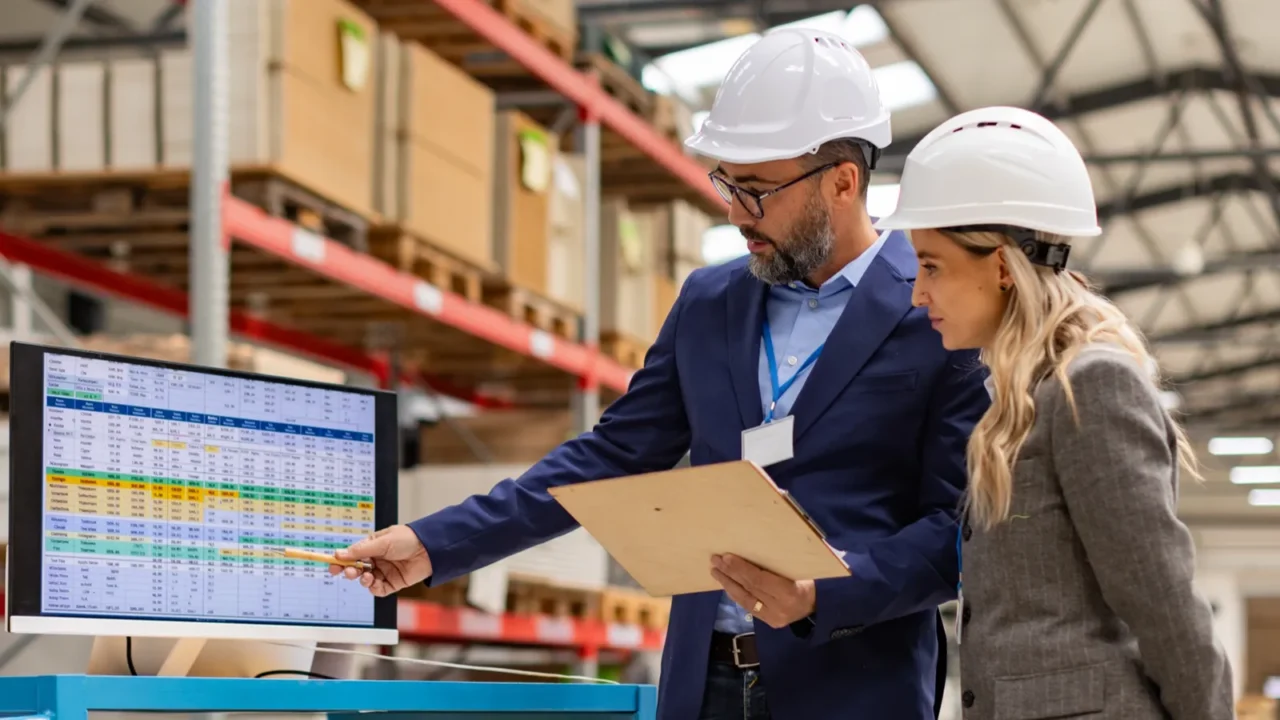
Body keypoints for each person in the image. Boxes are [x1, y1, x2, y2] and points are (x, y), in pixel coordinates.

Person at [333, 28, 989, 720]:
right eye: (728, 184)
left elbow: (957, 528)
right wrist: (435, 545)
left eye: (758, 190)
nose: (735, 212)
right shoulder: (709, 304)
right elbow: (609, 456)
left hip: (853, 691)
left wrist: (828, 589)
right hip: (701, 686)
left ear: (843, 181)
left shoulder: (937, 311)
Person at [873, 105, 1235, 719]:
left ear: (1001, 265)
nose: (917, 293)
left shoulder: (1091, 387)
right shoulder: (1019, 398)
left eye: (932, 266)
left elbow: (1163, 602)